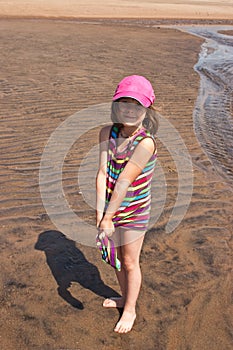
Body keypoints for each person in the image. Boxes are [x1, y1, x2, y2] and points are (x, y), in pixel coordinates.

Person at [96, 75, 158, 333]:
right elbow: (102, 173)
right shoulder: (106, 133)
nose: (130, 110)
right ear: (116, 106)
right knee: (117, 259)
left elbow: (123, 182)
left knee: (130, 260)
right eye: (124, 104)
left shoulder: (145, 142)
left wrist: (108, 218)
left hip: (134, 211)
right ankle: (124, 297)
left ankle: (130, 308)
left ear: (147, 110)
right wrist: (100, 215)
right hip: (109, 208)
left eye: (137, 105)